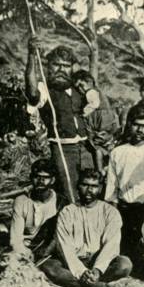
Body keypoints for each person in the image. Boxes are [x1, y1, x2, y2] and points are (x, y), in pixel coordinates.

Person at [40, 169, 132, 287]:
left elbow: (111, 244)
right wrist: (81, 271)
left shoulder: (110, 212)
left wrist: (97, 270)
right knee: (49, 267)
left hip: (98, 260)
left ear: (100, 189)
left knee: (124, 264)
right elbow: (64, 246)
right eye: (85, 185)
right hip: (73, 262)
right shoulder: (67, 212)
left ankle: (89, 281)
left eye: (94, 186)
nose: (89, 190)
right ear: (78, 186)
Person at [24, 37, 91, 202]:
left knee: (91, 189)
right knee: (70, 193)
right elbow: (32, 92)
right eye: (56, 65)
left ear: (72, 69)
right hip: (63, 149)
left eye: (66, 66)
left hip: (87, 148)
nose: (61, 69)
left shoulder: (80, 89)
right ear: (47, 66)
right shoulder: (44, 89)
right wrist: (32, 54)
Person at [105, 110, 144, 267]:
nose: (140, 130)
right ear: (129, 125)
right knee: (124, 253)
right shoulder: (117, 152)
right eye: (136, 125)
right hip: (125, 210)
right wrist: (114, 213)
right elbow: (112, 185)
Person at [73, 70, 120, 176]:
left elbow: (94, 104)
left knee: (98, 145)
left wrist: (84, 113)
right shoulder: (93, 92)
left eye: (81, 85)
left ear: (89, 82)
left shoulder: (91, 92)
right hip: (103, 119)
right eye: (78, 87)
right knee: (101, 147)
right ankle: (103, 168)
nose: (80, 89)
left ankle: (101, 169)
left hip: (100, 119)